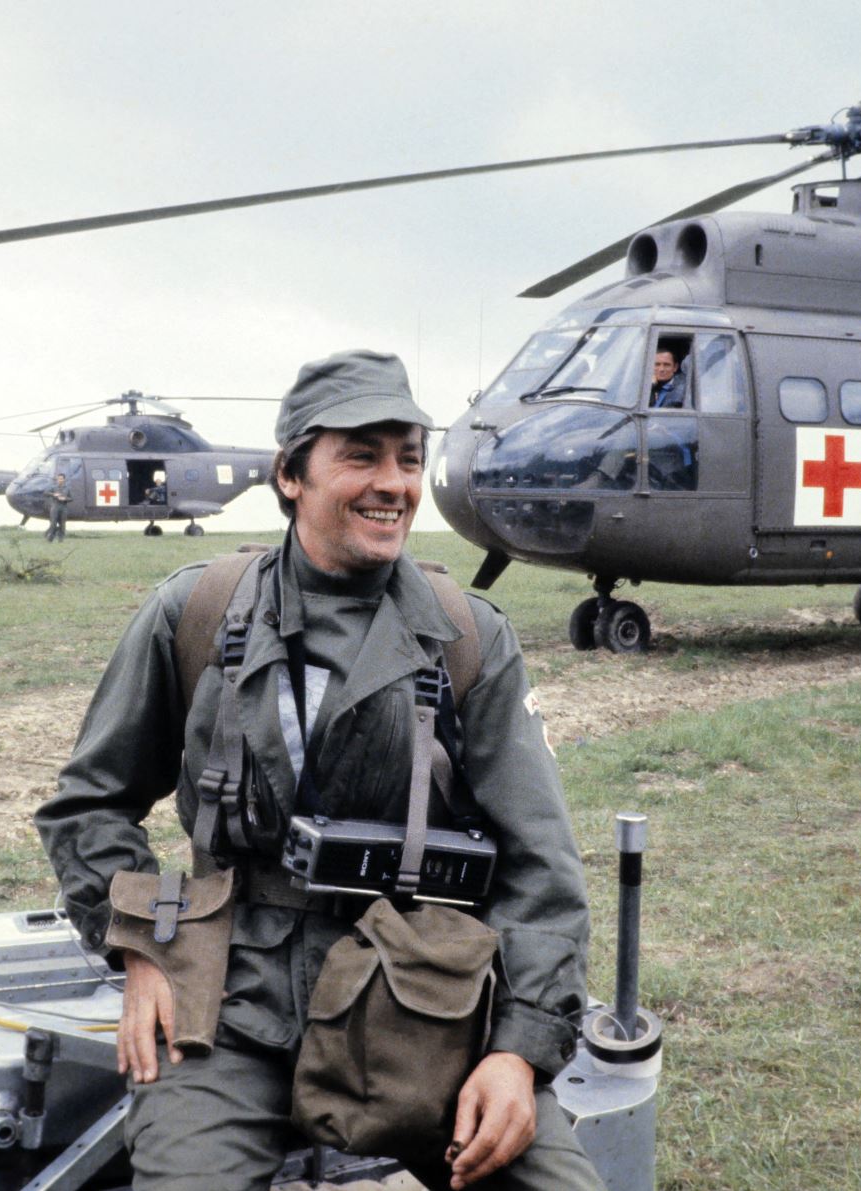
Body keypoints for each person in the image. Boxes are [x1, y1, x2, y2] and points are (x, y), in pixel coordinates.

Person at [35, 349, 600, 1191]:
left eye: (409, 458)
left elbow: (542, 865)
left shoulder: (467, 635)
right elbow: (90, 803)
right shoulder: (197, 612)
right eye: (361, 455)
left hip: (420, 1001)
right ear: (291, 475)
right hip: (228, 1005)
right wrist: (145, 948)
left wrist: (518, 1050)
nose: (394, 483)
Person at [46, 472, 70, 542]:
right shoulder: (53, 487)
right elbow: (46, 493)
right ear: (57, 479)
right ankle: (50, 539)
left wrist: (65, 499)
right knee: (53, 523)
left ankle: (61, 539)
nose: (60, 480)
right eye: (59, 479)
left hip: (63, 507)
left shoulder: (67, 488)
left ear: (64, 480)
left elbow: (71, 498)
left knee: (62, 524)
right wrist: (54, 494)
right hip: (55, 507)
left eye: (61, 479)